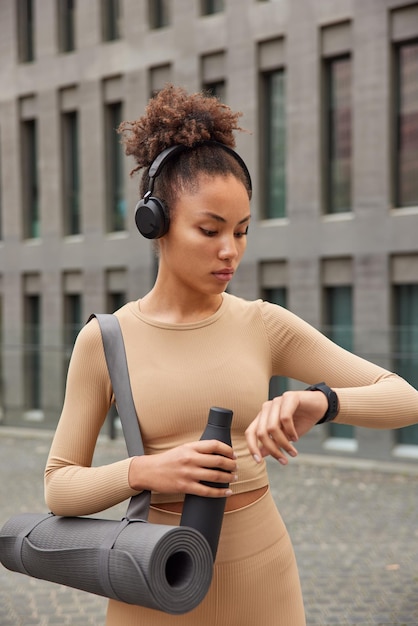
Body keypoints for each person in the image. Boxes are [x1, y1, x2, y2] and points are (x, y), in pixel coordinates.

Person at [44, 84, 418, 626]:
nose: (231, 251)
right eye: (210, 229)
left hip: (264, 577)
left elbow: (405, 398)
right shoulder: (106, 339)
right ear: (156, 223)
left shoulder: (263, 323)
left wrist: (320, 402)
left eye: (241, 231)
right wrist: (149, 470)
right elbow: (60, 486)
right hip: (154, 581)